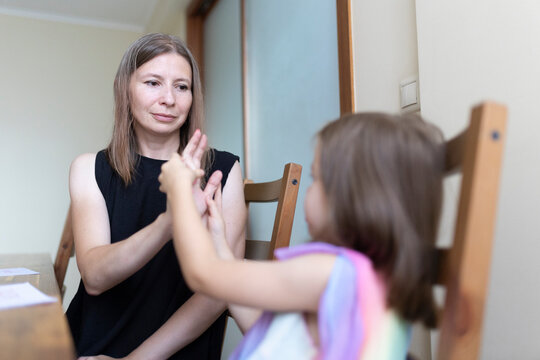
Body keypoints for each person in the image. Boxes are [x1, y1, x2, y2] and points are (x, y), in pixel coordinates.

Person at [158, 112, 444, 359]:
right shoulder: (366, 277)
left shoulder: (327, 273)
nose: (309, 190)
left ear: (353, 199)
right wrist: (219, 239)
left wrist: (179, 193)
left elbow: (202, 274)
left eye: (316, 180)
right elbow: (265, 327)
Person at [66, 33, 247, 359]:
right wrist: (169, 222)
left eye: (182, 87)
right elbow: (94, 277)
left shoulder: (223, 171)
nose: (169, 99)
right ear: (125, 89)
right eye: (153, 83)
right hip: (93, 347)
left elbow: (219, 291)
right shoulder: (89, 168)